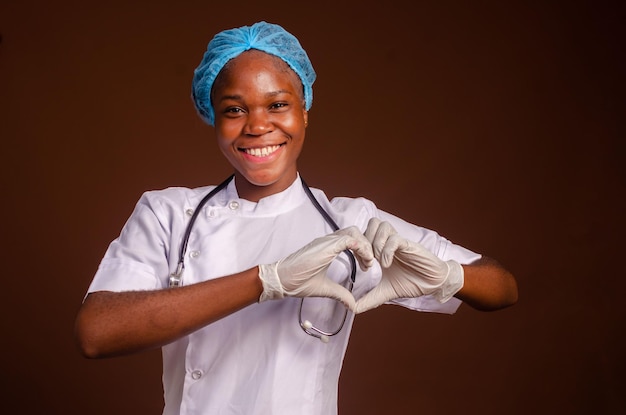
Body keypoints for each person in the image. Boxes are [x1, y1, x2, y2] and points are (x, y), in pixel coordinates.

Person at [74, 21, 518, 415]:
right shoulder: (169, 213)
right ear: (213, 119)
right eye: (234, 109)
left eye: (277, 105)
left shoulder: (349, 224)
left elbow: (502, 287)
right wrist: (266, 281)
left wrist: (447, 277)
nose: (257, 125)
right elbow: (96, 332)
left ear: (304, 110)